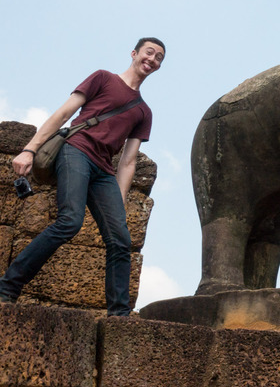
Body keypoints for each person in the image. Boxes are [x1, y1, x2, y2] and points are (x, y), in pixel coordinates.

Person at [0, 38, 165, 316]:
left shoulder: (143, 112)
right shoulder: (103, 78)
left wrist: (119, 204)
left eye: (159, 57)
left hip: (104, 171)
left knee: (120, 239)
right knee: (70, 221)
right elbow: (64, 113)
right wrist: (29, 149)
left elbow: (127, 162)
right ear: (135, 53)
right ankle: (7, 288)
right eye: (149, 52)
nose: (153, 59)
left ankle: (119, 315)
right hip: (76, 150)